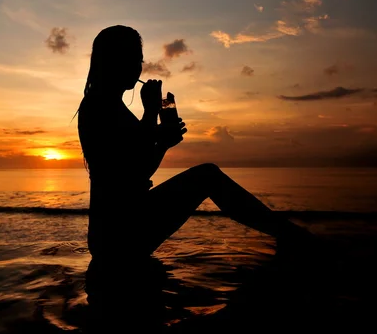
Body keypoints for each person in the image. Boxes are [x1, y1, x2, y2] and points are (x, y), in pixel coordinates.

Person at [77, 25, 313, 260]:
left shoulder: (109, 107)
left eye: (139, 60)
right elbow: (132, 171)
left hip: (120, 228)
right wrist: (150, 113)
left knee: (208, 176)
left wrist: (163, 143)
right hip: (118, 232)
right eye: (131, 58)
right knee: (207, 176)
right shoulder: (98, 107)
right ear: (112, 60)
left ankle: (285, 233)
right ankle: (287, 234)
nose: (137, 67)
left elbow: (140, 166)